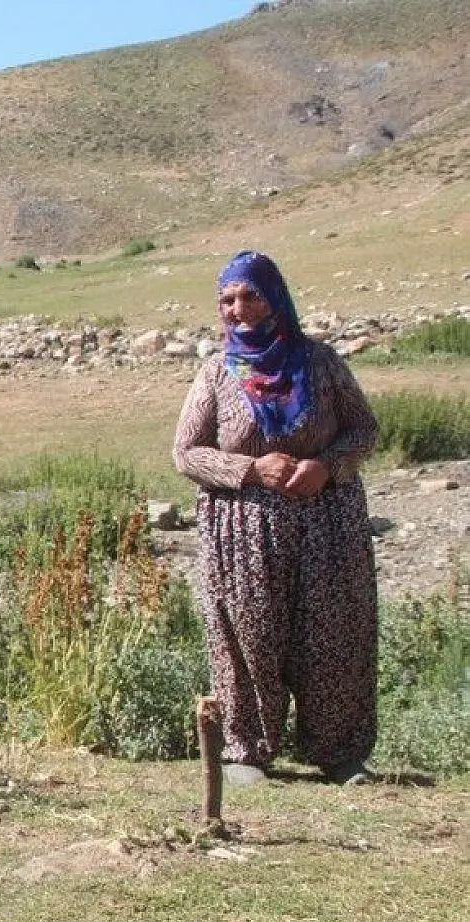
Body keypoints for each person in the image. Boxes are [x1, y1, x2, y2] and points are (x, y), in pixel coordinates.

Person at [172, 249, 380, 786]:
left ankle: (340, 754)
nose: (237, 308)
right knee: (247, 634)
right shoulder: (218, 373)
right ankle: (248, 752)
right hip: (243, 534)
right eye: (227, 299)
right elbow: (187, 452)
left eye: (249, 296)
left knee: (335, 630)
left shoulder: (322, 363)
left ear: (275, 299)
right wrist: (249, 469)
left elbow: (364, 430)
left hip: (327, 523)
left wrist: (327, 466)